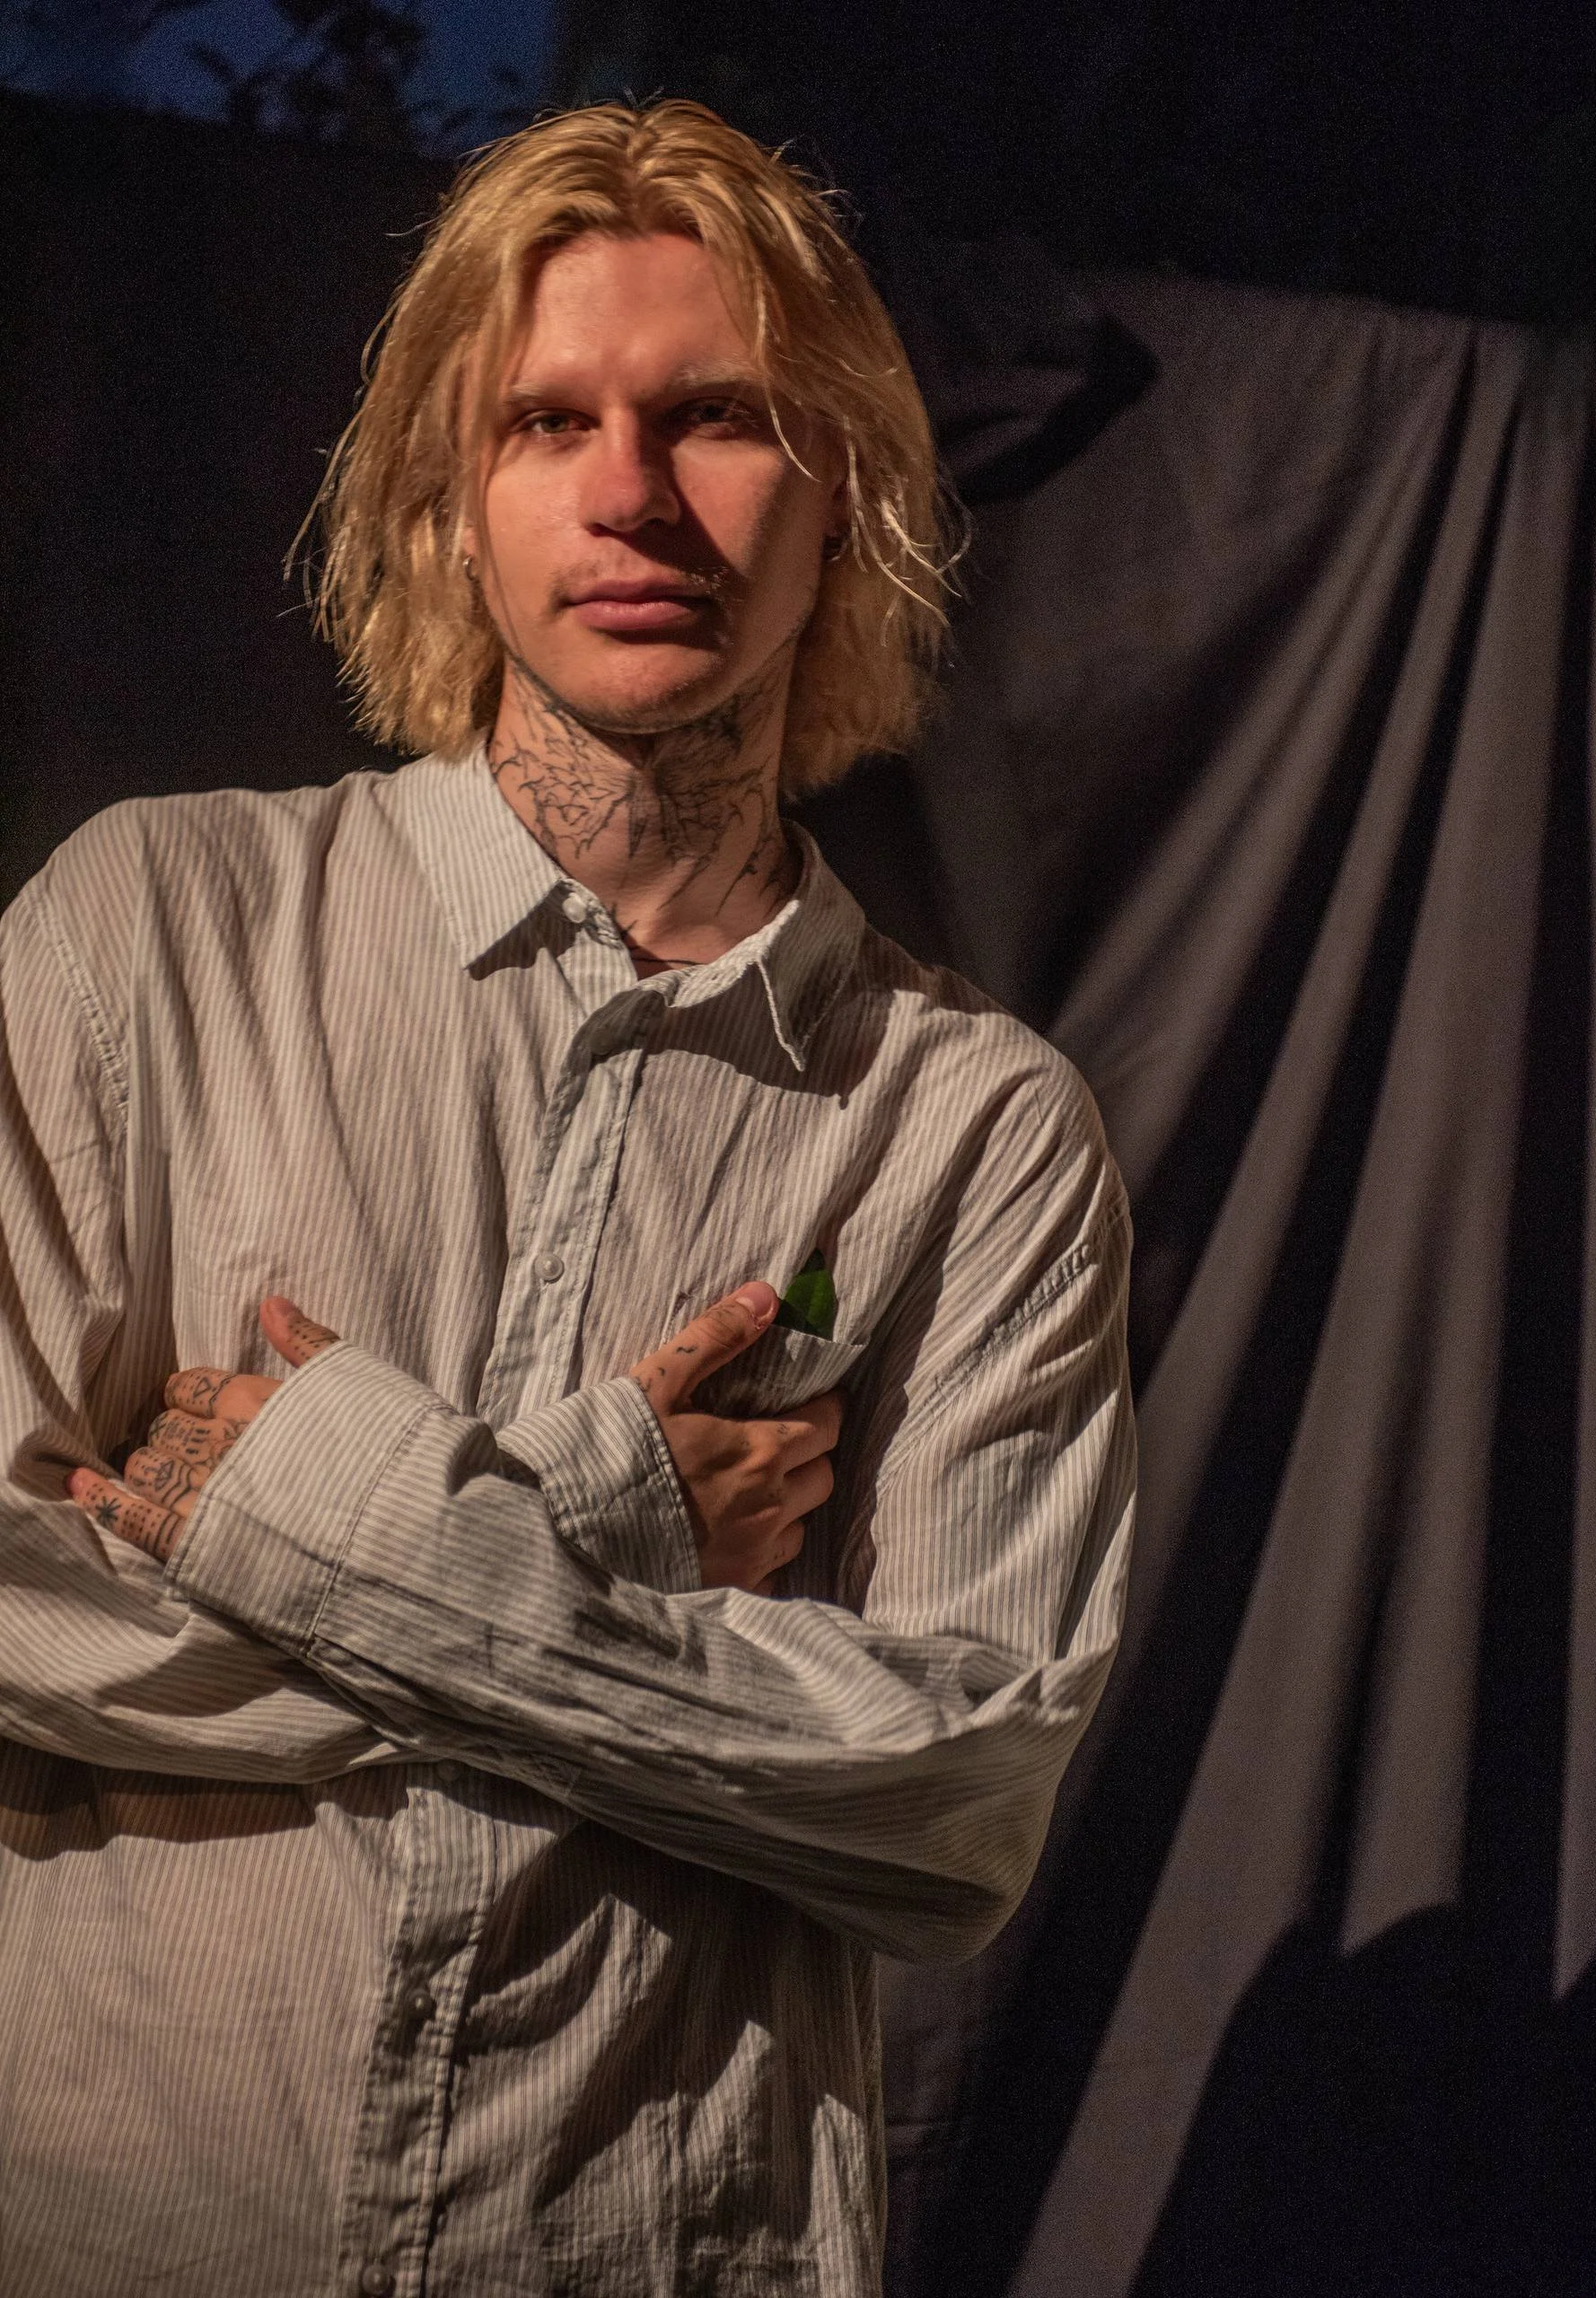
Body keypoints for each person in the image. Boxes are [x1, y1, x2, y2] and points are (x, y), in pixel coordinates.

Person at [0, 100, 1135, 2297]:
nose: (629, 492)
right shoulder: (146, 934)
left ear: (853, 505)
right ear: (447, 500)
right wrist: (604, 1507)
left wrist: (315, 1505)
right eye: (547, 420)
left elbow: (954, 1788)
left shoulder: (973, 1127)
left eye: (714, 416)